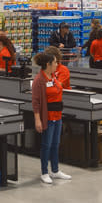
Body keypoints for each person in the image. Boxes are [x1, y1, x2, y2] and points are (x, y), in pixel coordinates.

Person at [31, 52, 71, 184]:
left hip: (57, 115)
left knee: (55, 144)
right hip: (46, 117)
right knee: (46, 145)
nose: (56, 64)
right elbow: (36, 102)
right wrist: (38, 119)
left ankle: (55, 170)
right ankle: (44, 172)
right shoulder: (39, 80)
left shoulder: (53, 77)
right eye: (54, 62)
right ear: (48, 64)